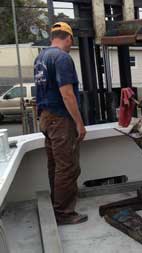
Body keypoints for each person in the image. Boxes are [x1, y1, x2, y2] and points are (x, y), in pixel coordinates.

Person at [34, 22, 87, 225]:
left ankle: (57, 204)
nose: (71, 46)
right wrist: (80, 124)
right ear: (69, 38)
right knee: (68, 166)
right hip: (60, 118)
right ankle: (64, 213)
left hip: (46, 118)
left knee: (55, 164)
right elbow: (67, 95)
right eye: (72, 42)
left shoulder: (41, 58)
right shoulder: (62, 58)